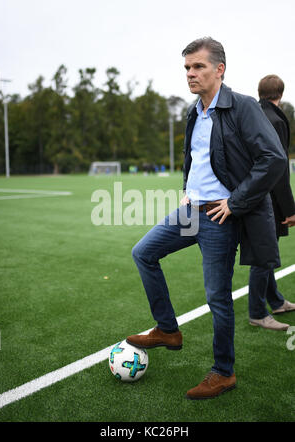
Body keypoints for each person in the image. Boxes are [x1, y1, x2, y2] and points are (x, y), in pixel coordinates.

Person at [126, 37, 287, 400]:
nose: (190, 74)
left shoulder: (243, 106)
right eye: (186, 68)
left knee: (218, 298)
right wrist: (188, 187)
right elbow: (196, 158)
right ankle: (168, 329)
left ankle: (223, 372)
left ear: (219, 69)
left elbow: (273, 159)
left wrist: (235, 201)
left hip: (219, 217)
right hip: (191, 211)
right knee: (143, 253)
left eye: (198, 66)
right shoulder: (194, 110)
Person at [248, 75, 295, 330]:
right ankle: (257, 312)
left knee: (265, 253)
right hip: (266, 199)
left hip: (251, 194)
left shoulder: (253, 114)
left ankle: (275, 301)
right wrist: (289, 209)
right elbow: (278, 168)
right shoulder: (275, 120)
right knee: (262, 256)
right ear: (281, 94)